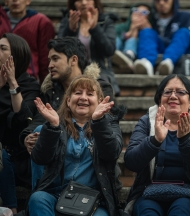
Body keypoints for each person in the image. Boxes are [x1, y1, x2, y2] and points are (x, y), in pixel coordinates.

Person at [18, 36, 116, 190]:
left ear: (73, 60)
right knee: (38, 133)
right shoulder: (50, 89)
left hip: (89, 140)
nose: (50, 65)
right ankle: (40, 189)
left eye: (55, 59)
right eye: (49, 60)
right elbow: (40, 117)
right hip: (57, 144)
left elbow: (109, 121)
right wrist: (27, 136)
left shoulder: (100, 86)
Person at [123, 74, 190, 216]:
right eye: (167, 92)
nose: (173, 96)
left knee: (180, 210)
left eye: (180, 92)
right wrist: (155, 140)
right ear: (159, 99)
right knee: (147, 212)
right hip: (151, 193)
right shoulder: (147, 122)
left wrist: (186, 139)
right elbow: (131, 162)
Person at [27, 75, 125, 216]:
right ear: (68, 101)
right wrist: (52, 128)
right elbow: (40, 158)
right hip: (57, 195)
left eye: (89, 94)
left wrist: (98, 121)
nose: (83, 97)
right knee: (37, 198)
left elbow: (111, 153)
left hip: (93, 199)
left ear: (99, 102)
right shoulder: (55, 125)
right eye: (77, 93)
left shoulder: (109, 124)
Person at [0, 33, 40, 214]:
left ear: (15, 55)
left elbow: (23, 121)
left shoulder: (29, 85)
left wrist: (12, 84)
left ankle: (11, 209)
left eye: (2, 48)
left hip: (18, 156)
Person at [58, 0, 120, 96]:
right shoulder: (68, 21)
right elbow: (59, 50)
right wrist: (70, 30)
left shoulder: (105, 21)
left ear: (95, 2)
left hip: (101, 71)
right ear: (73, 4)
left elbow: (109, 50)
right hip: (73, 70)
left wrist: (95, 28)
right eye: (79, 0)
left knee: (101, 85)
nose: (83, 2)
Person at [132, 0, 190, 76]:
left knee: (184, 32)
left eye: (166, 0)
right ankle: (146, 63)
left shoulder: (186, 17)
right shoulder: (150, 18)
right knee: (146, 31)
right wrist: (148, 28)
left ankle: (168, 62)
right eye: (158, 1)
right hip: (158, 48)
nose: (161, 3)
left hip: (183, 51)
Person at [0, 0, 55, 83]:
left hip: (27, 78)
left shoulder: (41, 21)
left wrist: (46, 85)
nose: (15, 0)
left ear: (28, 1)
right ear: (5, 1)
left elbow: (45, 56)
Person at [113, 3, 154, 69]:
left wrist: (148, 30)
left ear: (149, 17)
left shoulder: (151, 31)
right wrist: (129, 33)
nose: (139, 14)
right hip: (118, 49)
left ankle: (129, 54)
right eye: (135, 10)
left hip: (141, 57)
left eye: (144, 12)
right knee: (116, 39)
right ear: (131, 14)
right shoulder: (121, 27)